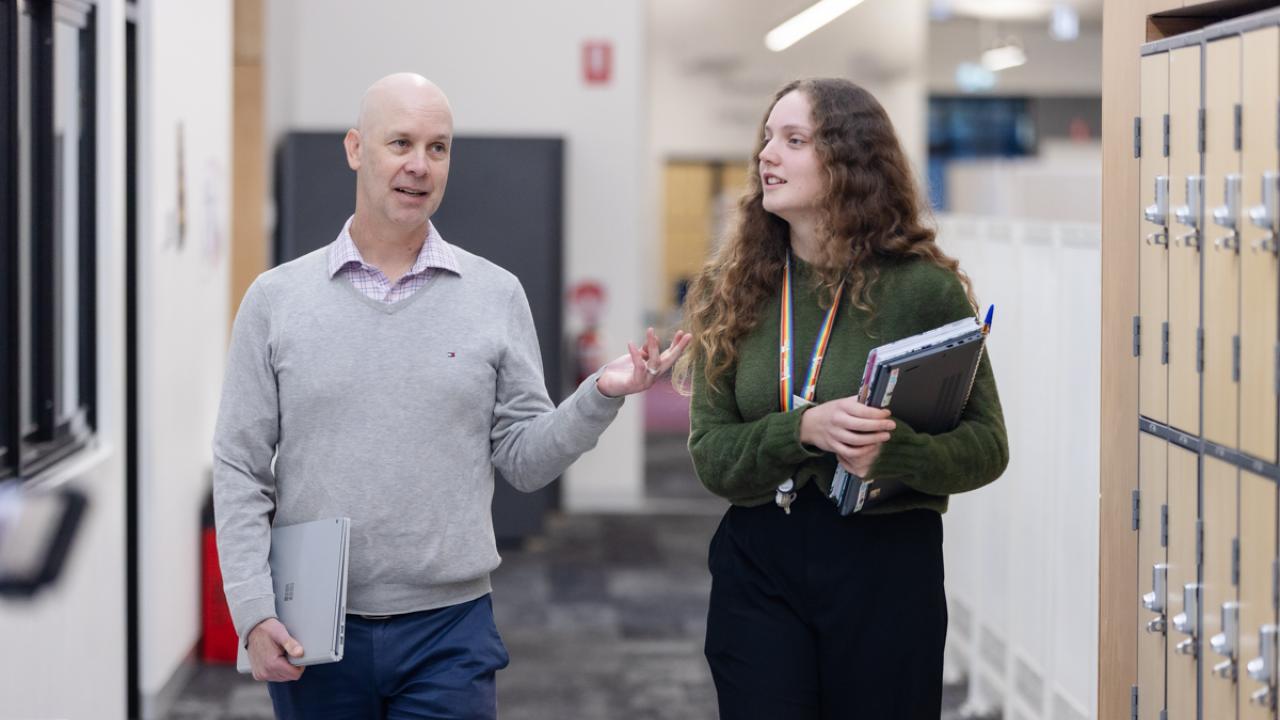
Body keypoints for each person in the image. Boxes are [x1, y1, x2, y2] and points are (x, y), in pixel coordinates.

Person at [213, 72, 690, 719]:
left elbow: (525, 460)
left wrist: (598, 395)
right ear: (356, 149)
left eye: (437, 148)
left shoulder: (495, 295)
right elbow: (240, 465)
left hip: (449, 628)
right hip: (315, 621)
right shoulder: (276, 300)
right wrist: (252, 607)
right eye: (400, 143)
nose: (419, 165)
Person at [675, 78, 1008, 719]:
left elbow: (988, 447)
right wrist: (802, 430)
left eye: (793, 140)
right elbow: (712, 456)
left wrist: (895, 450)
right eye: (768, 138)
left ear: (849, 161)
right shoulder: (731, 285)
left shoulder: (922, 290)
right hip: (759, 555)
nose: (767, 155)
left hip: (885, 562)